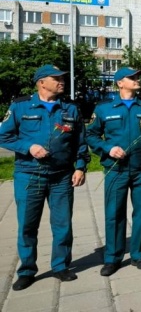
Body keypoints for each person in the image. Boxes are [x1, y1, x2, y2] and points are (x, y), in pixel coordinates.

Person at [0, 65, 89, 291]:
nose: (61, 81)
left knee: (62, 224)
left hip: (61, 176)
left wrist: (80, 167)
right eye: (56, 78)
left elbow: (80, 141)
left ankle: (60, 265)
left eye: (62, 78)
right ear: (41, 82)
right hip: (30, 175)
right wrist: (28, 146)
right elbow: (4, 136)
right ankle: (27, 270)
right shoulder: (21, 107)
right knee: (28, 226)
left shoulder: (70, 108)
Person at [85, 66, 141, 277]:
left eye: (138, 77)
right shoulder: (104, 109)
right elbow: (91, 136)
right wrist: (108, 148)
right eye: (133, 77)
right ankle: (112, 258)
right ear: (120, 82)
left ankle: (140, 255)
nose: (137, 80)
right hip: (116, 170)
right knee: (114, 214)